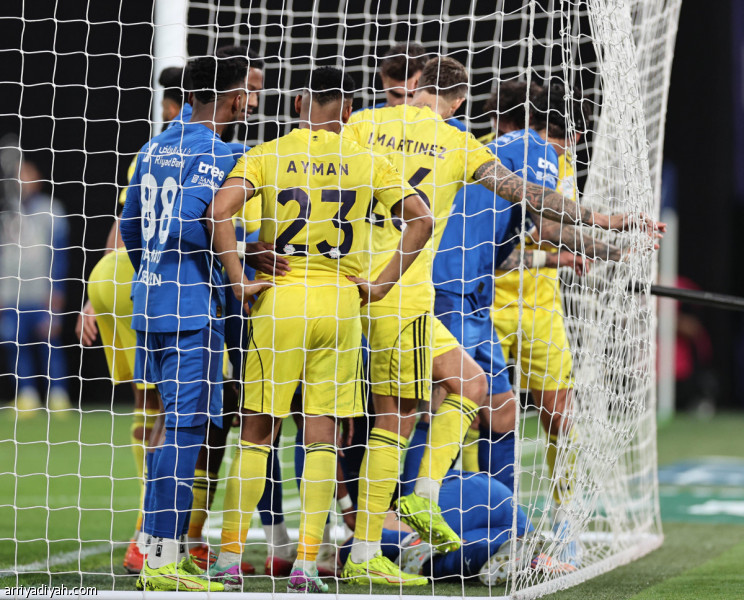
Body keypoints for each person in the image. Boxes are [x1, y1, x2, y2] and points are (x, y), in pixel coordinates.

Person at [341, 57, 647, 586]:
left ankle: (404, 522)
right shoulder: (477, 145)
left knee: (485, 403)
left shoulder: (369, 125)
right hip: (425, 296)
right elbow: (536, 203)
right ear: (460, 99)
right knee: (405, 416)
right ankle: (395, 534)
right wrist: (608, 224)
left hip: (389, 288)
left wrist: (589, 250)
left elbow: (513, 242)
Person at [207, 65, 433, 593]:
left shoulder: (267, 153)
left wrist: (238, 277)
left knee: (256, 433)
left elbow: (217, 212)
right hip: (340, 304)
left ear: (296, 104)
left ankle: (230, 561)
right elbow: (421, 220)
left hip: (280, 301)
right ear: (348, 110)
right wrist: (381, 284)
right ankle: (307, 566)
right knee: (322, 437)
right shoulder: (368, 158)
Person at [120, 52, 264, 592]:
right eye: (249, 92)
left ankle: (154, 548)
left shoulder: (153, 146)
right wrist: (239, 257)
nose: (252, 101)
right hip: (190, 307)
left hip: (148, 300)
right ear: (234, 97)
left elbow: (130, 227)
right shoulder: (220, 153)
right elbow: (192, 221)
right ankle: (164, 559)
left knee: (167, 431)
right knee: (185, 433)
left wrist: (153, 272)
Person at [0, 156, 71, 413]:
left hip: (42, 292)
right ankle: (27, 395)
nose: (22, 181)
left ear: (37, 180)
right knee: (14, 343)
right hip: (12, 293)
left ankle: (59, 395)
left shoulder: (52, 211)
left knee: (49, 342)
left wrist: (57, 289)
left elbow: (60, 254)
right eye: (18, 177)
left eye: (27, 175)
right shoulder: (6, 213)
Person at [372, 42, 467, 131]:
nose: (404, 104)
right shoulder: (365, 121)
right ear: (383, 79)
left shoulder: (455, 130)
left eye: (411, 95)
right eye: (396, 95)